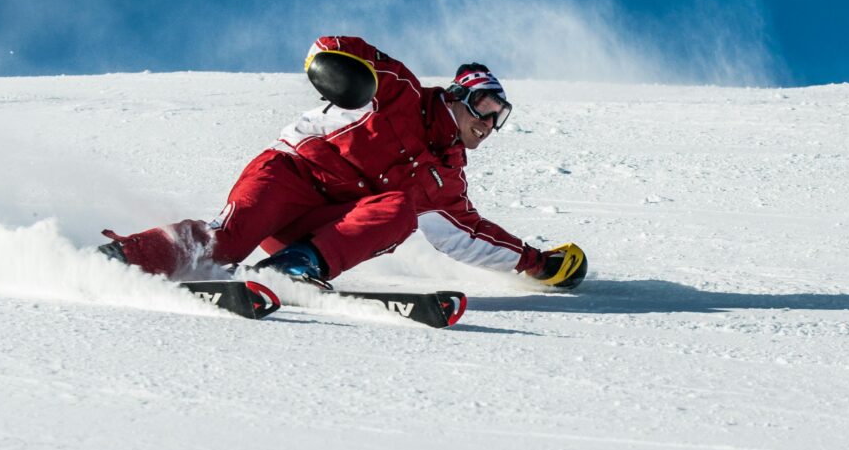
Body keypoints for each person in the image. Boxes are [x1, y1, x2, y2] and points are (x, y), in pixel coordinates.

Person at [98, 36, 586, 289]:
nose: (489, 124)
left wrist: (537, 263)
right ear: (459, 97)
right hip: (288, 177)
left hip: (318, 230)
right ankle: (127, 259)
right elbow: (336, 46)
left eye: (499, 118)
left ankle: (293, 269)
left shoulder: (446, 179)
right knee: (228, 240)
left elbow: (469, 236)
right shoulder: (400, 92)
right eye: (486, 109)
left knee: (399, 211)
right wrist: (338, 74)